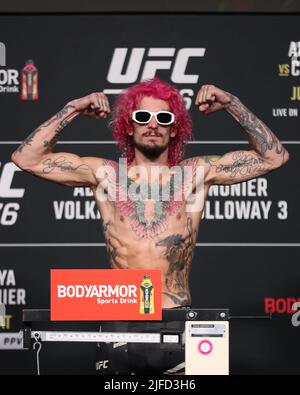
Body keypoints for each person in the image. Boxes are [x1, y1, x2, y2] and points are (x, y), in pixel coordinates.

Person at [11, 78, 289, 374]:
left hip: (177, 316)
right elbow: (26, 158)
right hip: (119, 318)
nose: (153, 125)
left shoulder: (196, 173)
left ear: (175, 127)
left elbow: (274, 157)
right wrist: (74, 108)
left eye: (163, 118)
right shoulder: (105, 175)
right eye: (142, 117)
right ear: (129, 126)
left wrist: (231, 103)